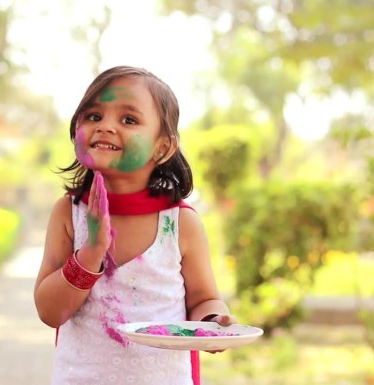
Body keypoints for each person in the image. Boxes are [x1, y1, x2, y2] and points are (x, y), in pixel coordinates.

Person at [34, 65, 235, 385]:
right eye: (94, 116)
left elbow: (203, 300)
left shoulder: (179, 224)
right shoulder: (68, 213)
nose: (105, 127)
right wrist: (91, 251)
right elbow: (49, 312)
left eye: (128, 119)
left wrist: (213, 322)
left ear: (163, 147)